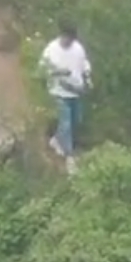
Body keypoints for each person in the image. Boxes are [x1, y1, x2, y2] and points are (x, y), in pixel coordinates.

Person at [39, 24, 91, 170]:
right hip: (59, 91)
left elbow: (84, 63)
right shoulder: (52, 49)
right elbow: (43, 68)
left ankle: (56, 140)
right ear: (63, 35)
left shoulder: (78, 48)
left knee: (76, 120)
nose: (70, 42)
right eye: (68, 38)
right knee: (66, 122)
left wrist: (87, 75)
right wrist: (58, 72)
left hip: (75, 90)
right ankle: (70, 157)